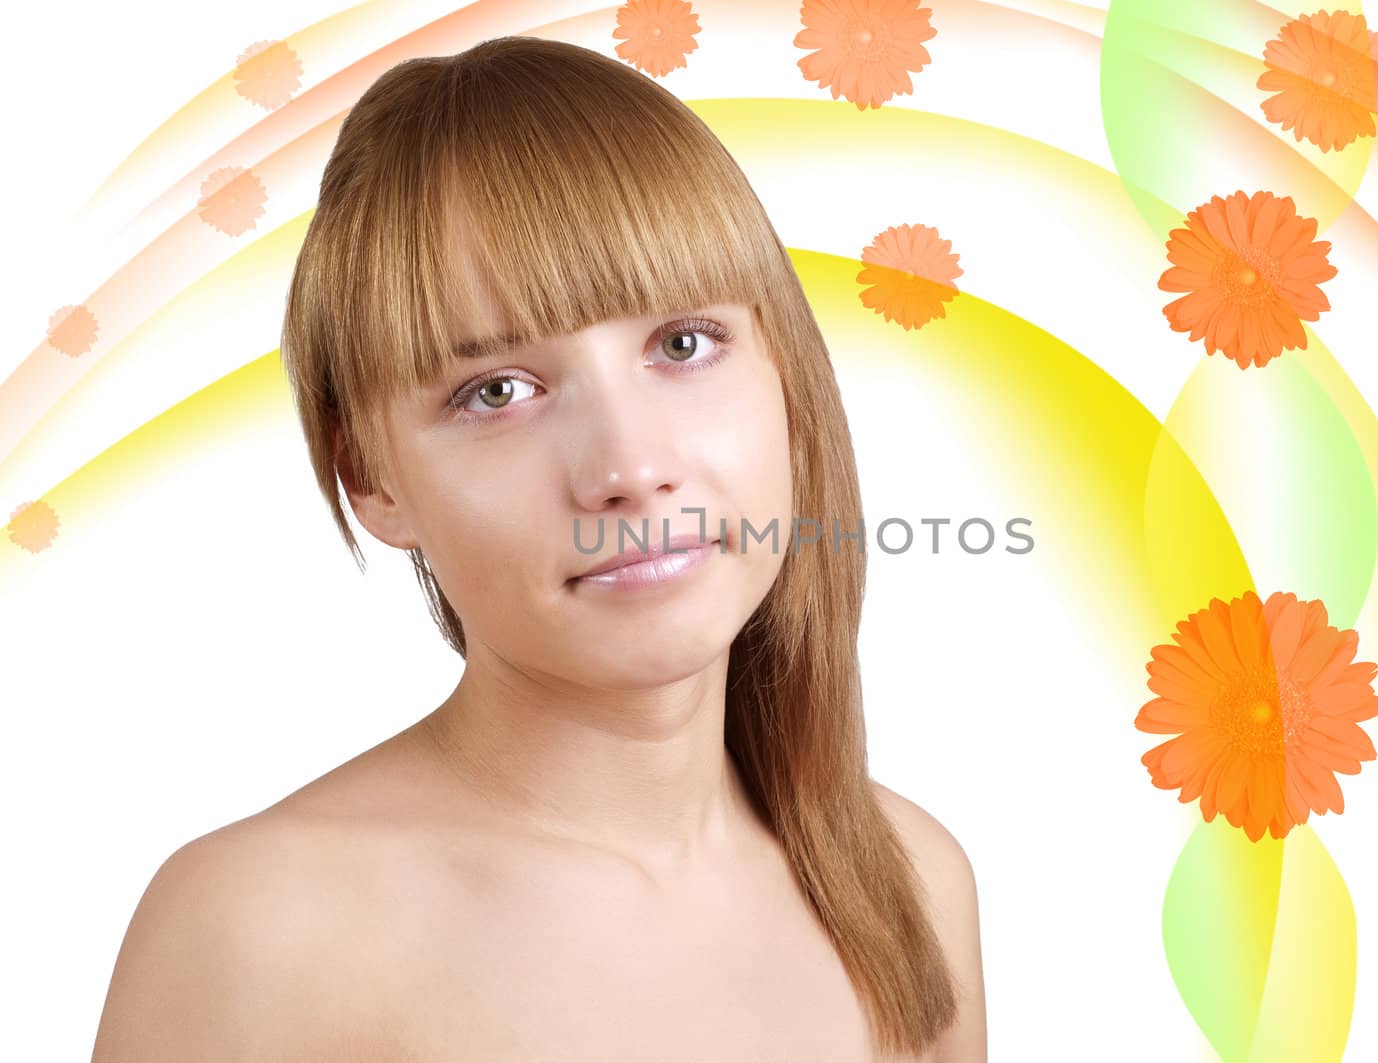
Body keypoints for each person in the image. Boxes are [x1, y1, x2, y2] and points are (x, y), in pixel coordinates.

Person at [90, 35, 984, 1062]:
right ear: (372, 480)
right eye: (497, 392)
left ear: (787, 375)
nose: (629, 464)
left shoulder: (907, 879)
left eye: (681, 344)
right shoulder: (262, 932)